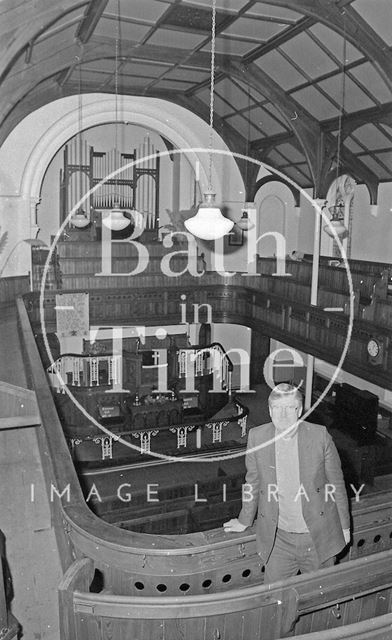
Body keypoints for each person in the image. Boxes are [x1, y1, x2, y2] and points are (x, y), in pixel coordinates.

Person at [224, 383, 350, 583]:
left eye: (289, 408)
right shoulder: (257, 437)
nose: (282, 415)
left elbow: (336, 484)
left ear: (299, 410)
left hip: (317, 536)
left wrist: (344, 526)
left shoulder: (319, 436)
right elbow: (252, 483)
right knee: (274, 600)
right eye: (277, 408)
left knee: (319, 597)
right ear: (269, 410)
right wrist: (244, 520)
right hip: (279, 539)